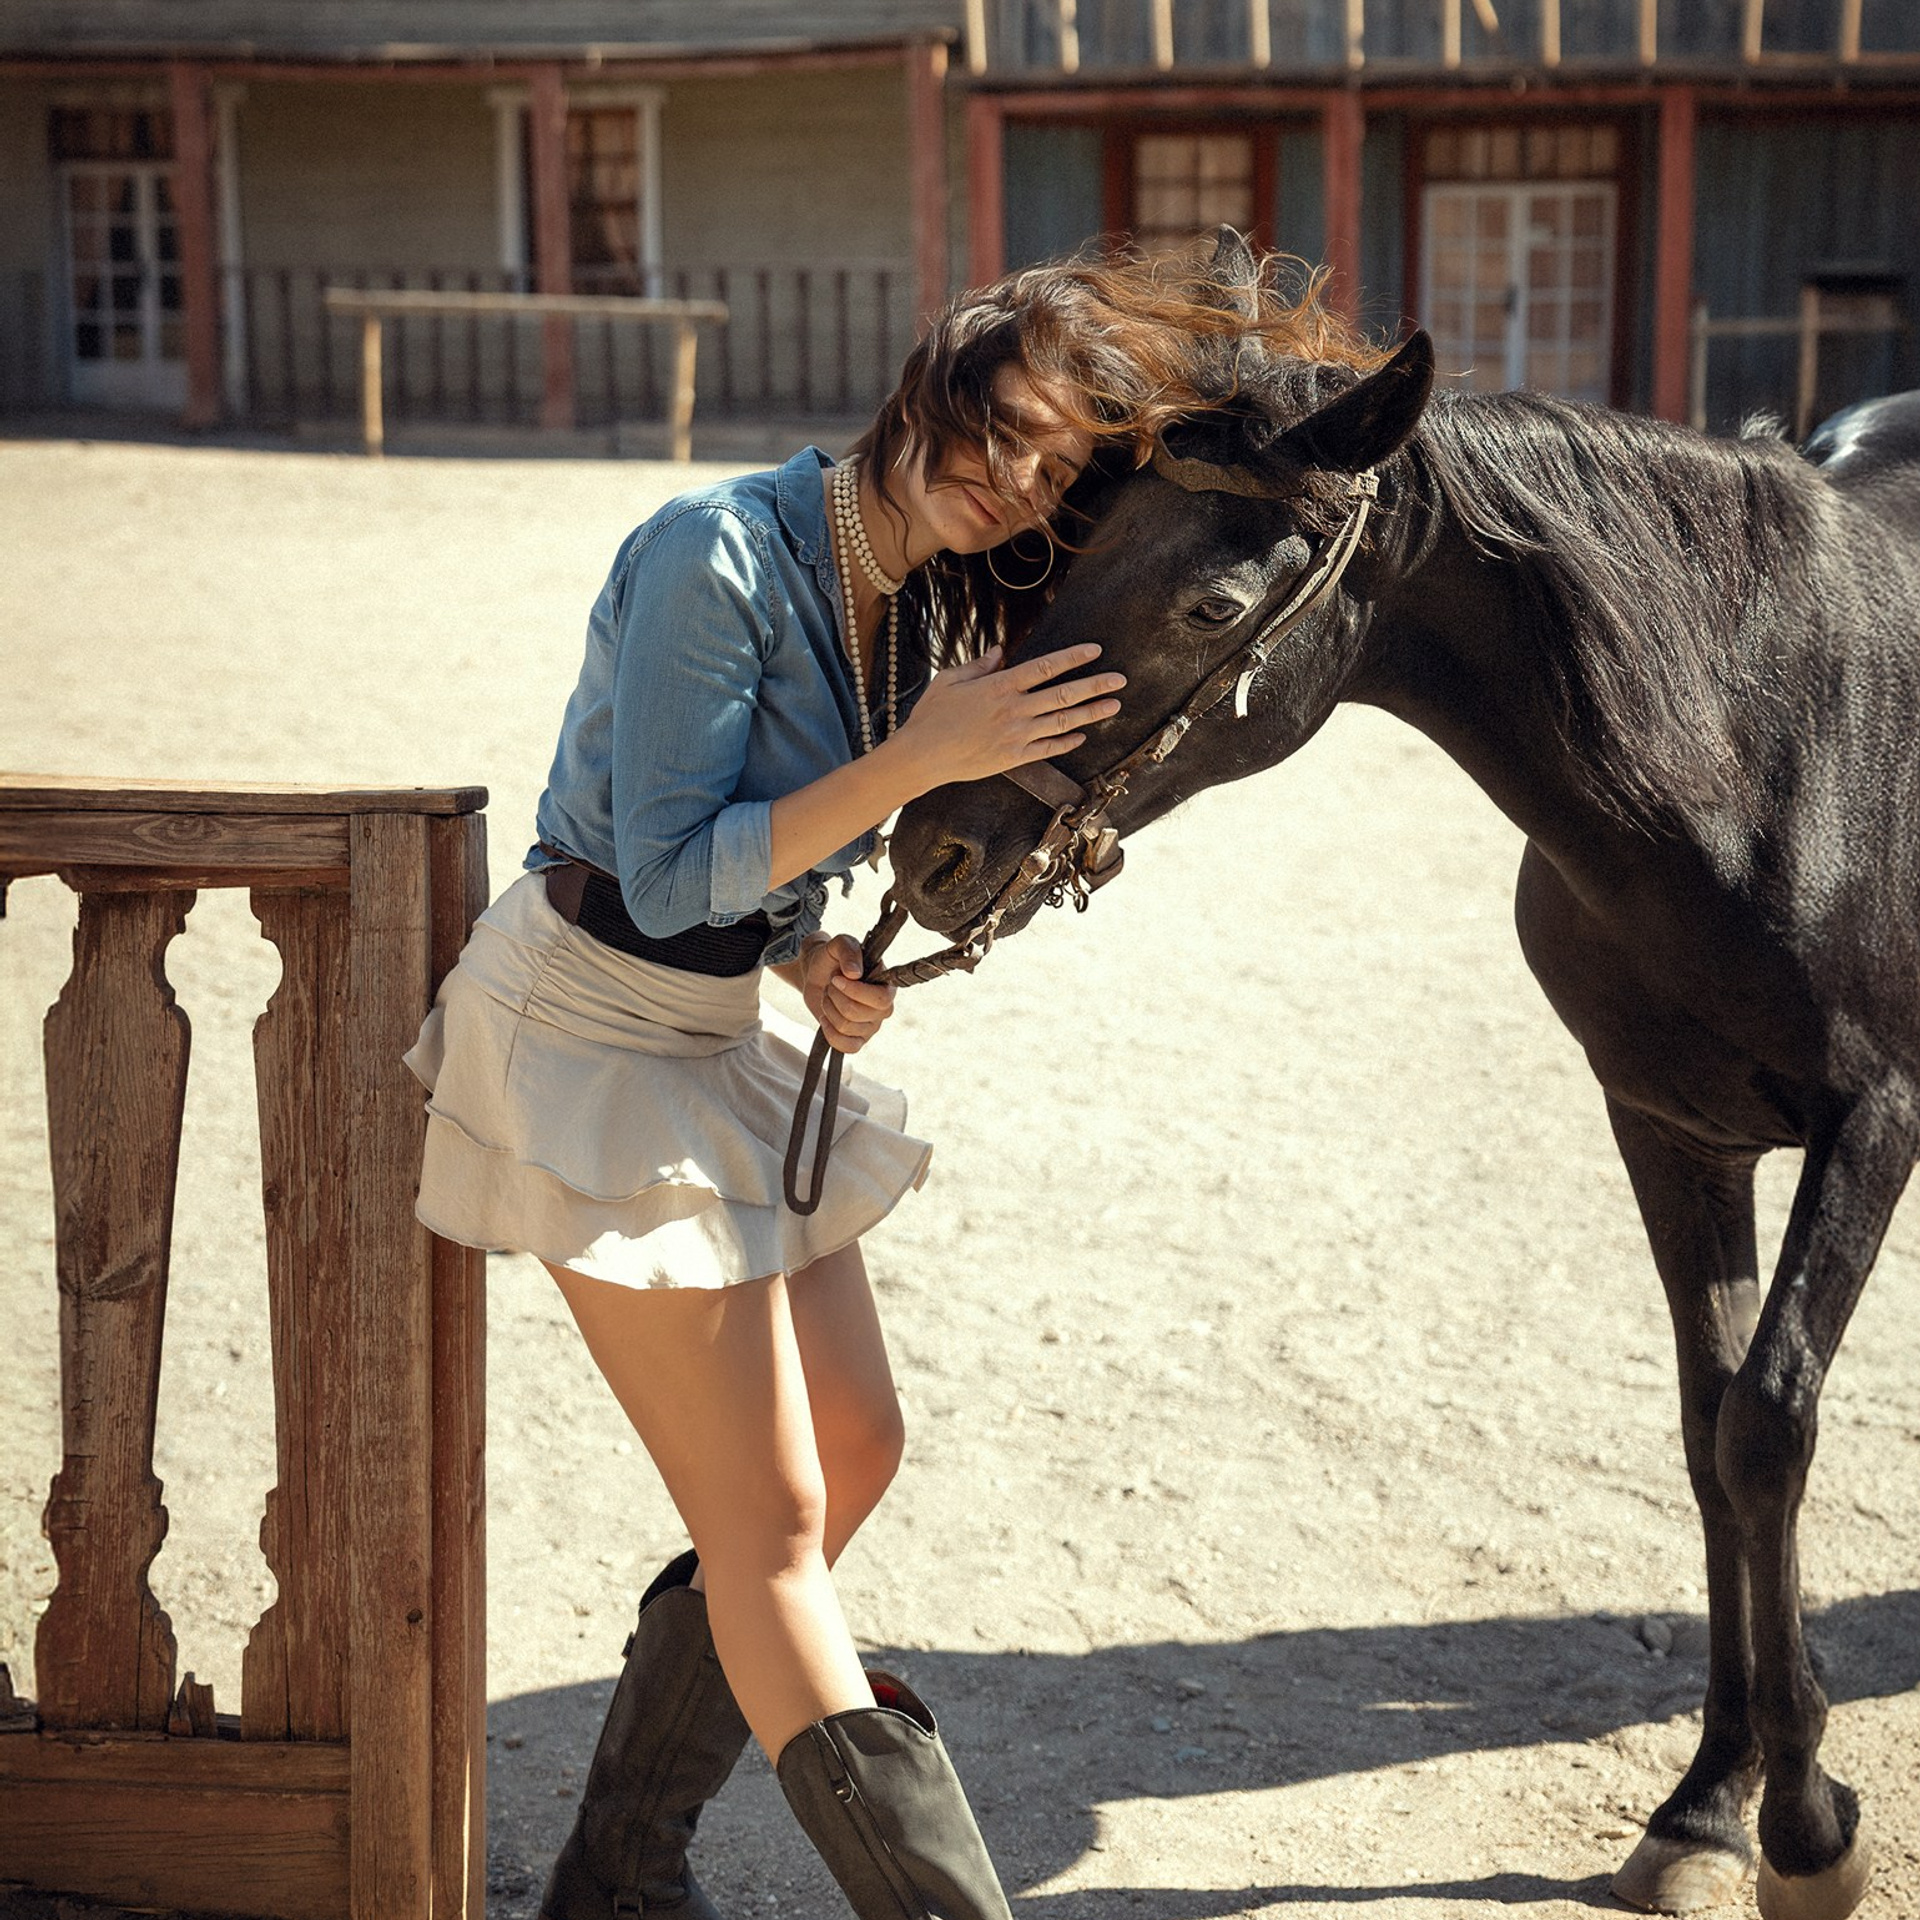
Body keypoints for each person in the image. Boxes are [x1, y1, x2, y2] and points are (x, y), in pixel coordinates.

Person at [404, 250, 1252, 1920]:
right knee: (778, 1519)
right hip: (581, 1023)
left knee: (855, 1443)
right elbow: (661, 868)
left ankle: (617, 1872)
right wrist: (922, 758)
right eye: (1006, 430)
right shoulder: (714, 553)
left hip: (712, 1028)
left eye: (1056, 472)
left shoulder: (917, 600)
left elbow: (755, 867)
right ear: (934, 384)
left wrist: (807, 958)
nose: (1016, 484)